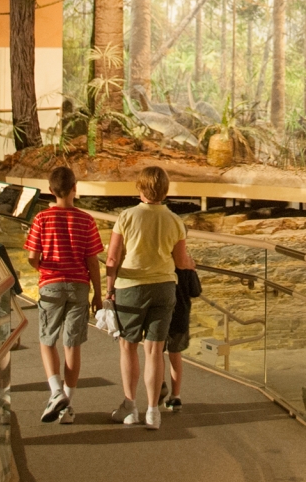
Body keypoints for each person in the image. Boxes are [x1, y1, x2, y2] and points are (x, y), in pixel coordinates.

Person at [104, 166, 188, 430]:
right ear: (165, 190)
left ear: (140, 188)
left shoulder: (126, 217)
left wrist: (108, 288)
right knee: (155, 351)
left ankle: (130, 406)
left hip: (131, 287)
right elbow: (181, 261)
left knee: (128, 346)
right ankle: (153, 412)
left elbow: (113, 258)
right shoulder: (175, 221)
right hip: (164, 288)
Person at [25, 166, 102, 425]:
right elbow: (93, 261)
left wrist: (43, 268)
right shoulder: (87, 220)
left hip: (51, 285)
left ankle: (56, 392)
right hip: (79, 286)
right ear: (74, 188)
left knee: (47, 340)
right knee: (72, 344)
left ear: (50, 190)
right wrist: (99, 295)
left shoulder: (41, 219)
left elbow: (32, 257)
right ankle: (67, 404)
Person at [160, 242, 199, 412]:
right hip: (180, 315)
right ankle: (176, 396)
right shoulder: (185, 266)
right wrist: (193, 270)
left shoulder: (160, 263)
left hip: (160, 313)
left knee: (156, 351)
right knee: (175, 354)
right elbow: (196, 291)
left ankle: (160, 383)